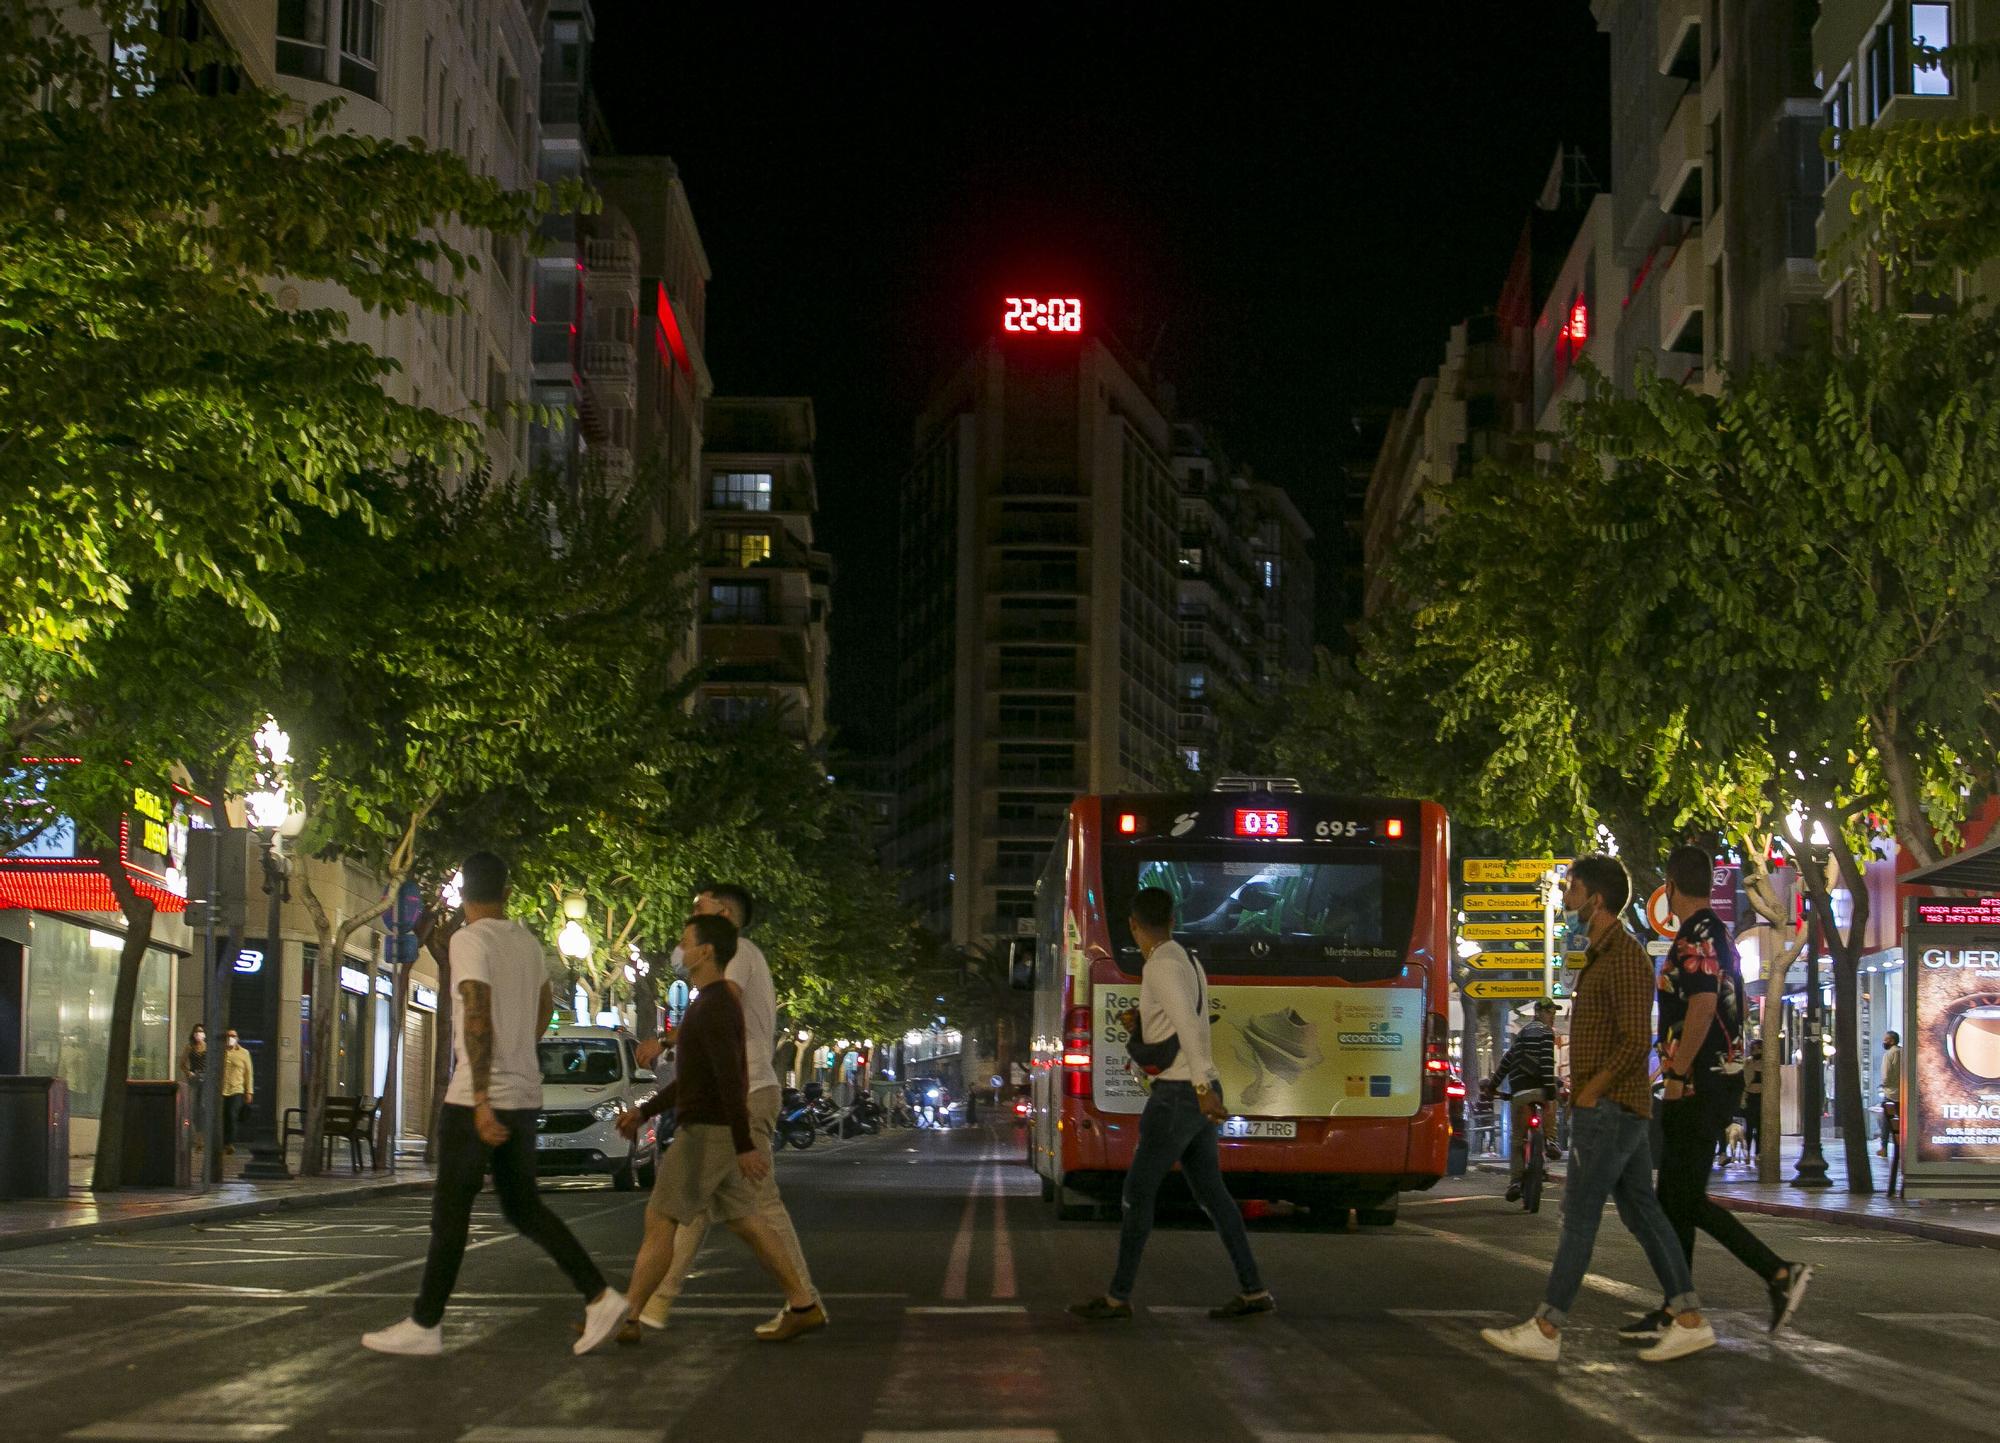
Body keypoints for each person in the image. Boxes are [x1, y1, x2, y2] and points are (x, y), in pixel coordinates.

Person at [362, 851, 624, 1357]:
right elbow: (547, 1003)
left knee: (451, 1213)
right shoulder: (527, 943)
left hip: (475, 1099)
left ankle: (426, 1323)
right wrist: (520, 1053)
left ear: (462, 896)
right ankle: (598, 1295)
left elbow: (476, 1012)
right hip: (524, 1095)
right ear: (507, 893)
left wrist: (482, 1096)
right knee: (524, 1208)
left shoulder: (468, 939)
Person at [1481, 854, 1715, 1364]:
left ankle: (1547, 1327)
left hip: (1610, 1106)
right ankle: (1690, 1316)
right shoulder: (1600, 953)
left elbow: (1636, 1039)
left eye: (1574, 888)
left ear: (1597, 897)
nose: (1567, 897)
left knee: (1579, 1215)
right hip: (1609, 1104)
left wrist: (1592, 1090)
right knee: (1641, 1212)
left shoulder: (1626, 956)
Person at [1619, 845, 1813, 1345]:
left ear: (1669, 885)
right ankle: (1677, 1307)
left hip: (1702, 1081)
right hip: (1707, 1078)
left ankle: (1776, 1273)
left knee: (1680, 1197)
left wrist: (1679, 1073)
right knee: (1676, 1198)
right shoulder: (1715, 933)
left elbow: (1703, 1004)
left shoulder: (1698, 934)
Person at [613, 913, 825, 1345]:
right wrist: (646, 1111)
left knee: (661, 1217)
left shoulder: (716, 1004)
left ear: (705, 951)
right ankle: (803, 1304)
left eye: (685, 940)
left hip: (707, 1132)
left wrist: (745, 1144)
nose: (680, 947)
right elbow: (695, 1078)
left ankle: (629, 1315)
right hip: (713, 1127)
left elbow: (731, 1079)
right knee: (747, 1220)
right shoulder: (705, 1002)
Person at [1069, 887, 1272, 1323]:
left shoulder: (1161, 965)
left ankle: (1118, 1297)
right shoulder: (1187, 960)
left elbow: (1186, 1025)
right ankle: (1253, 1291)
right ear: (1174, 918)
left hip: (1179, 1094)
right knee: (1212, 1194)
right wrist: (1143, 1026)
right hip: (1190, 1089)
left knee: (1137, 1192)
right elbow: (1185, 1023)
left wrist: (1202, 1087)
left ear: (1133, 925)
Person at [1487, 1000, 1560, 1201]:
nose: (1552, 1015)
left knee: (1518, 1140)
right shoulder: (1546, 1032)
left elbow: (1507, 1062)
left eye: (1553, 1012)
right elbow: (1546, 1063)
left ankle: (1515, 1182)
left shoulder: (1521, 1036)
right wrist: (1551, 1091)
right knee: (1551, 1101)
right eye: (1549, 1011)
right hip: (1538, 1088)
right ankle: (1551, 1140)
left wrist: (1492, 1087)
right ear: (1538, 1013)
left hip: (1519, 1092)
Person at [219, 1027, 253, 1156]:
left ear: (237, 1038)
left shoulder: (244, 1053)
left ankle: (229, 1142)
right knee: (222, 1116)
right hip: (221, 1090)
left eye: (234, 1036)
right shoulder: (220, 1052)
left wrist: (249, 1091)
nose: (231, 1038)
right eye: (229, 1036)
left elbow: (249, 1073)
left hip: (236, 1089)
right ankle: (221, 1141)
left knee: (232, 1115)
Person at [180, 1025, 207, 1152]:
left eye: (201, 1032)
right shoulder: (190, 1047)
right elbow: (182, 1063)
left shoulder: (208, 1047)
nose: (199, 1034)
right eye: (197, 1032)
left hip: (206, 1078)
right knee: (196, 1107)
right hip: (195, 1077)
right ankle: (198, 1140)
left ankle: (204, 1139)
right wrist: (188, 1073)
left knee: (204, 1107)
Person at [1879, 1030, 1903, 1158]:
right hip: (1902, 1093)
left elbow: (1886, 1075)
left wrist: (1884, 1084)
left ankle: (1883, 1148)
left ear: (1892, 1041)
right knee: (1900, 1123)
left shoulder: (1889, 1054)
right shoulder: (1903, 1052)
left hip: (1890, 1093)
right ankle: (1899, 1148)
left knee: (1886, 1122)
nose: (1884, 1041)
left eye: (1886, 1039)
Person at [1743, 1039, 1764, 1160]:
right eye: (1754, 1048)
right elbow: (1745, 1081)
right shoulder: (1748, 1063)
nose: (1756, 1051)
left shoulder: (1766, 1064)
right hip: (1750, 1097)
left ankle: (1758, 1152)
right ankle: (1747, 1151)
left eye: (1759, 1048)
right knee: (1750, 1126)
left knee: (1760, 1126)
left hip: (1761, 1097)